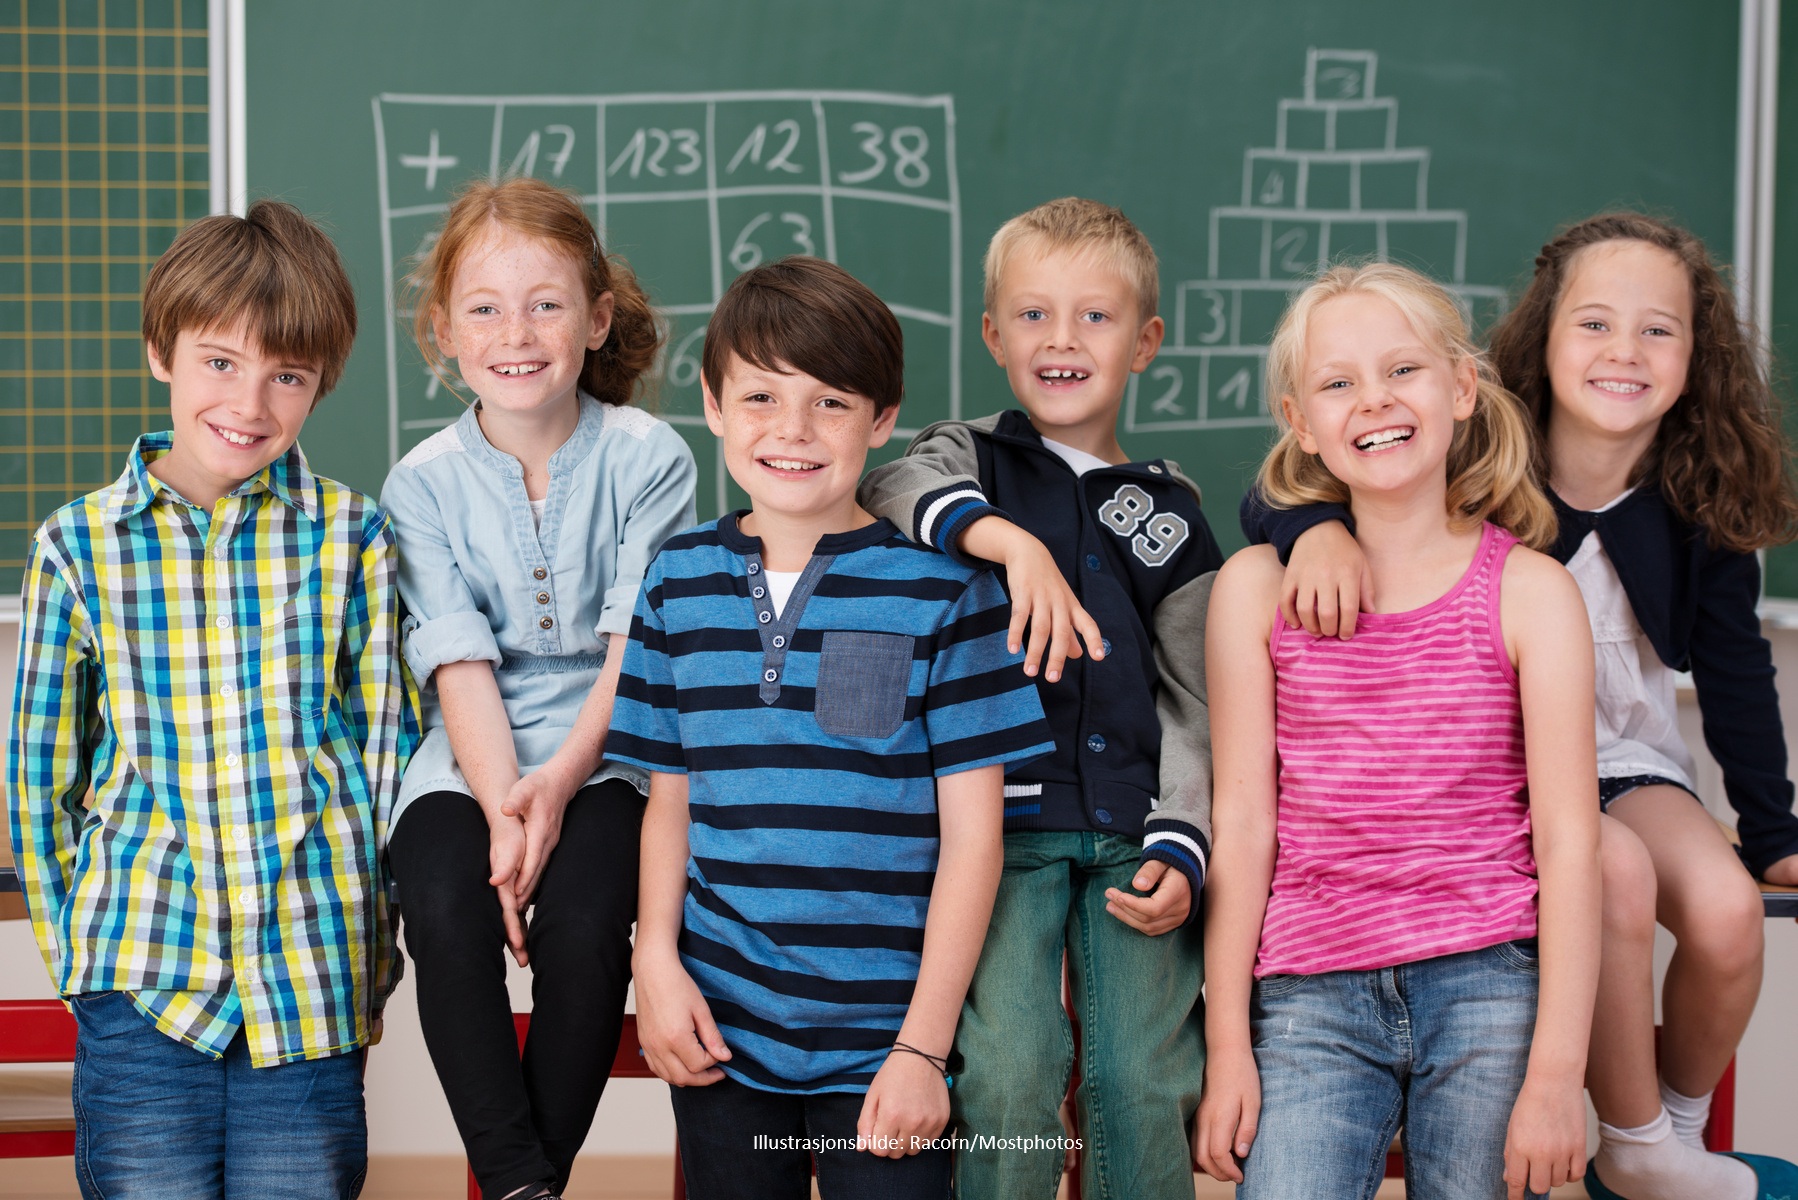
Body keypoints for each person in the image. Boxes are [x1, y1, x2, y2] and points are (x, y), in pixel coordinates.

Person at [1250, 215, 1798, 1199]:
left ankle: (1661, 1134)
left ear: (1696, 356)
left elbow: (1734, 682)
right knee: (1612, 874)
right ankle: (1631, 1134)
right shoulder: (1471, 460)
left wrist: (1772, 828)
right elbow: (1316, 487)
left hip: (1622, 760)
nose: (1623, 352)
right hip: (1484, 768)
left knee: (1723, 910)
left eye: (1657, 330)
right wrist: (1310, 531)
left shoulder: (1697, 501)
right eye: (1593, 324)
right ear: (1535, 344)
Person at [609, 256, 1055, 1200]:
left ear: (884, 419)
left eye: (831, 403)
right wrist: (654, 962)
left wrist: (923, 1049)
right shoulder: (676, 580)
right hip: (720, 1033)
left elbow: (976, 839)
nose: (793, 432)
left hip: (885, 1051)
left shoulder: (948, 592)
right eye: (762, 397)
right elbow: (669, 804)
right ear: (714, 404)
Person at [8, 200, 417, 1199]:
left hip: (309, 981)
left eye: (289, 376)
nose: (251, 401)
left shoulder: (350, 537)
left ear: (320, 386)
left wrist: (363, 940)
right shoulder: (79, 544)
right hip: (142, 981)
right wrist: (83, 957)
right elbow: (38, 779)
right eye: (221, 362)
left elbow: (381, 756)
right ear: (163, 351)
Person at [1197, 262, 1601, 1200]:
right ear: (1302, 422)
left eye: (1403, 371)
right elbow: (1245, 828)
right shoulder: (1256, 591)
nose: (1373, 400)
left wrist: (1555, 1074)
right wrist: (1227, 1047)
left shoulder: (1533, 594)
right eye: (1338, 384)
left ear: (1462, 388)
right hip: (1308, 993)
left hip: (1488, 981)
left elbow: (1570, 845)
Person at [856, 197, 1219, 1199]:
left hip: (1131, 837)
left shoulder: (1169, 516)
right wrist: (1007, 541)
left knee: (1139, 1081)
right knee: (1012, 1074)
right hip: (999, 836)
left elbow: (1198, 700)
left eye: (1094, 317)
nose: (1061, 339)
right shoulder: (967, 460)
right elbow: (888, 485)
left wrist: (1183, 839)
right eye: (1032, 315)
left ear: (1144, 342)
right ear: (992, 334)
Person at [378, 177, 696, 1200]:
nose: (515, 332)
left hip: (605, 751)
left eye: (546, 303)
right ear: (444, 331)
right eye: (484, 307)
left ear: (596, 320)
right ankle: (523, 1182)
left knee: (591, 915)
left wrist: (555, 789)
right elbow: (459, 662)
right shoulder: (419, 482)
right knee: (441, 901)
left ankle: (527, 1181)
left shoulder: (652, 457)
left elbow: (630, 650)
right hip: (467, 754)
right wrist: (506, 810)